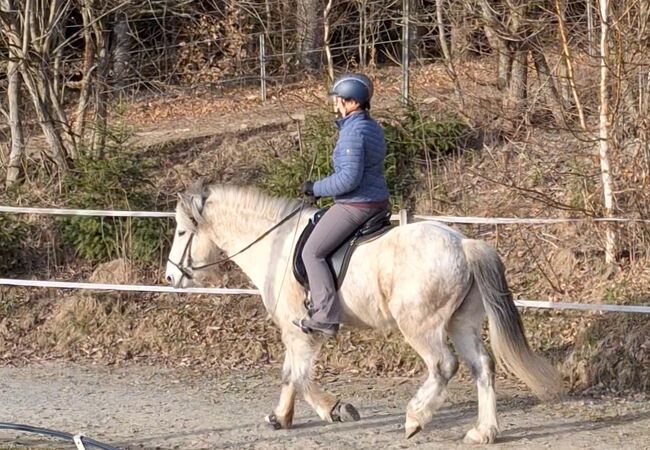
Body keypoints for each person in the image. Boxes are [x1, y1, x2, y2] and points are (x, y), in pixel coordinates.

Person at [294, 73, 390, 337]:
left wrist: (316, 188)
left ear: (352, 102)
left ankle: (324, 316)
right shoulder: (371, 127)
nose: (335, 105)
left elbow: (348, 179)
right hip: (375, 200)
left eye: (338, 100)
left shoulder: (353, 133)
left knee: (312, 252)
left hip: (357, 204)